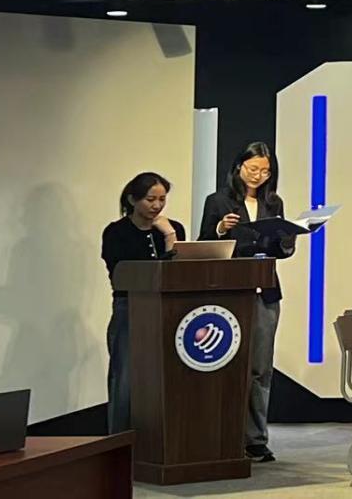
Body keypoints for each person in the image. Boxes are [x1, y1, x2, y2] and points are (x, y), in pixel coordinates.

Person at [198, 142, 292, 463]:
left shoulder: (273, 202)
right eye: (253, 169)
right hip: (230, 291)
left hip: (265, 291)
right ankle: (223, 435)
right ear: (239, 166)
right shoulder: (218, 200)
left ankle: (255, 439)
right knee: (227, 365)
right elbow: (203, 245)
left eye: (265, 171)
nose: (258, 176)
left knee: (260, 368)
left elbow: (279, 251)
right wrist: (219, 229)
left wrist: (289, 238)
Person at [101, 171, 186, 434]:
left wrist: (170, 237)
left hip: (168, 309)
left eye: (162, 199)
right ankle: (119, 441)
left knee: (166, 377)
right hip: (130, 308)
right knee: (125, 378)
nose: (157, 206)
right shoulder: (117, 232)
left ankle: (161, 438)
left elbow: (180, 273)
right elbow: (120, 272)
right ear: (132, 199)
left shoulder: (172, 229)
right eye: (150, 199)